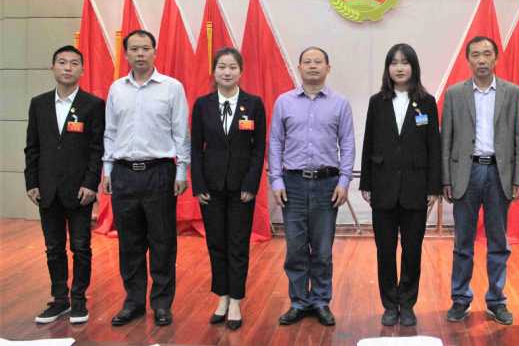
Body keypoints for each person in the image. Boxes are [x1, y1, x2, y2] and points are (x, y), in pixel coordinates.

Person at [102, 29, 190, 327]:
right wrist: (107, 170)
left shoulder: (172, 88)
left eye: (146, 48)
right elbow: (110, 132)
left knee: (163, 241)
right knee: (130, 242)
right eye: (134, 49)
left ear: (155, 51)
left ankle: (162, 304)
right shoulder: (116, 89)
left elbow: (181, 132)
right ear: (126, 54)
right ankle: (134, 302)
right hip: (123, 173)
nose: (140, 54)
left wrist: (181, 170)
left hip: (159, 172)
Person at [441, 35, 519, 326]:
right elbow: (446, 138)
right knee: (462, 242)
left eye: (487, 54)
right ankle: (460, 299)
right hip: (465, 173)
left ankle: (496, 301)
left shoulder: (513, 93)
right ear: (468, 60)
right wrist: (446, 178)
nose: (481, 60)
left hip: (498, 174)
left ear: (496, 58)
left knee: (498, 241)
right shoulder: (455, 94)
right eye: (475, 54)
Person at [269, 46, 355, 327]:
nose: (313, 66)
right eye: (307, 61)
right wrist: (276, 179)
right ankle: (298, 302)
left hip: (326, 184)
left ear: (328, 68)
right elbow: (275, 142)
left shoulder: (340, 103)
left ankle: (320, 300)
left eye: (318, 62)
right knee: (295, 248)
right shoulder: (284, 102)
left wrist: (344, 181)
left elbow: (348, 143)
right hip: (292, 183)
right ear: (299, 67)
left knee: (322, 249)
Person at [360, 43, 442, 327]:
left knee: (412, 249)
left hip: (416, 188)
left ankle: (407, 303)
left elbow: (434, 146)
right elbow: (368, 142)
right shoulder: (377, 102)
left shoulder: (427, 102)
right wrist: (366, 182)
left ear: (413, 67)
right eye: (394, 62)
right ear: (388, 68)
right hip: (382, 187)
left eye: (404, 62)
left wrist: (434, 187)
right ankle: (389, 304)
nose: (399, 68)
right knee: (385, 250)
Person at [24, 45, 105, 325]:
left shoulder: (93, 105)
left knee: (81, 247)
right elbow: (32, 147)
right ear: (53, 67)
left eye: (74, 63)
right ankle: (60, 300)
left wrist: (91, 184)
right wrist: (31, 182)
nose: (67, 67)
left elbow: (97, 148)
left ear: (82, 70)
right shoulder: (38, 104)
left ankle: (79, 299)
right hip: (46, 189)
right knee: (53, 248)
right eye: (62, 62)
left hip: (80, 190)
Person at [191, 48, 266, 330]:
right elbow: (195, 148)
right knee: (216, 243)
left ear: (241, 71)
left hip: (241, 189)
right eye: (221, 66)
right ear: (214, 71)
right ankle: (221, 297)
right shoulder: (202, 105)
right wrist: (199, 184)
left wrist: (251, 184)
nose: (227, 72)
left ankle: (235, 300)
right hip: (210, 188)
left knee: (237, 244)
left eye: (232, 67)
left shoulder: (253, 104)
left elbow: (258, 149)